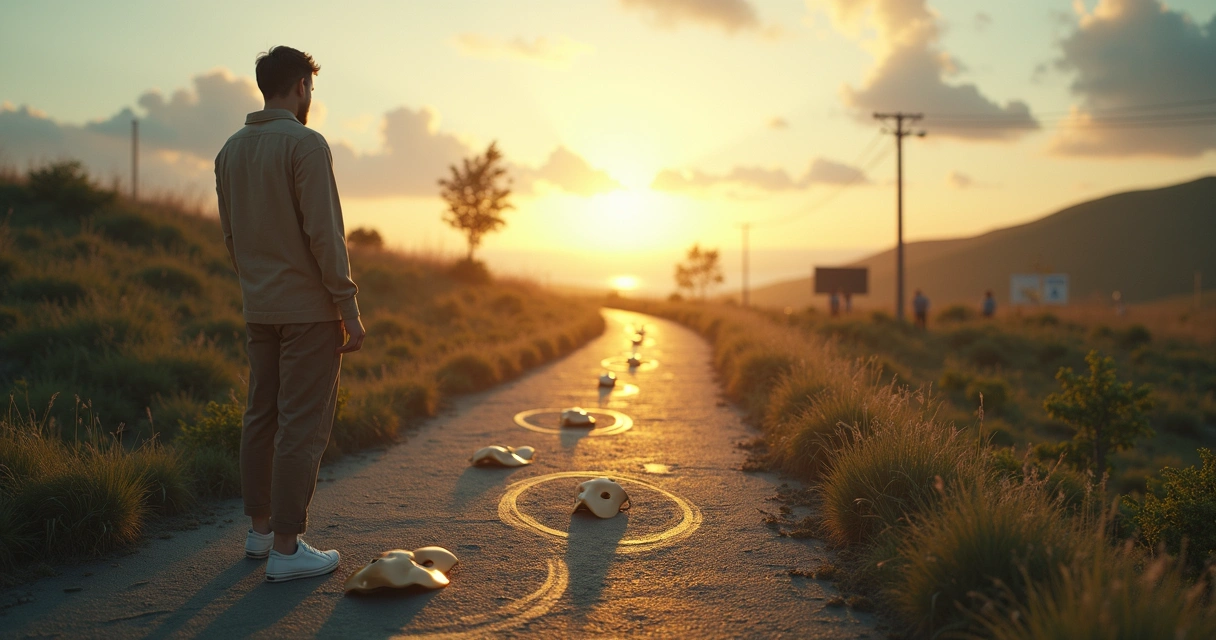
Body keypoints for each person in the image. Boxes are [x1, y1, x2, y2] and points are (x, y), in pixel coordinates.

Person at [215, 46, 366, 583]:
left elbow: (231, 235)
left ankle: (260, 533)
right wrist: (347, 306)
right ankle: (287, 547)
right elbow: (325, 234)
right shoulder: (306, 144)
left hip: (260, 307)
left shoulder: (230, 151)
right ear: (302, 86)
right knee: (301, 424)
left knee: (261, 416)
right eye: (310, 89)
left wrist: (256, 287)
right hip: (309, 312)